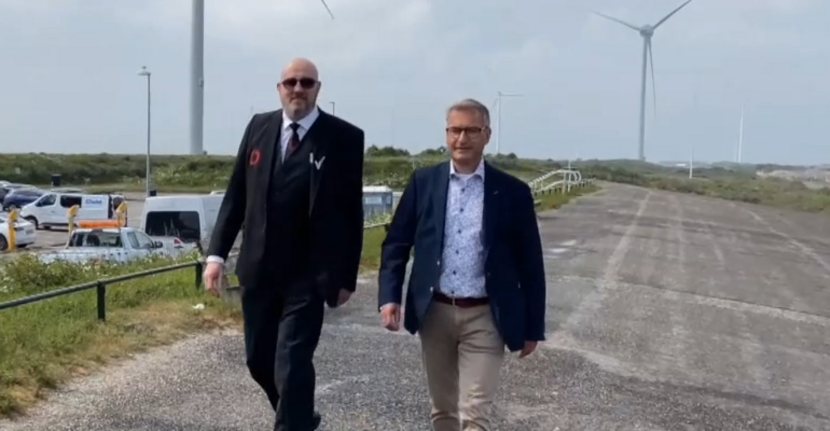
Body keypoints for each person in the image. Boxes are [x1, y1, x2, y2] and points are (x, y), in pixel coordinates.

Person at [203, 57, 365, 431]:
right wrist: (216, 255)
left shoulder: (344, 138)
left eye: (306, 83)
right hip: (259, 270)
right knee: (259, 362)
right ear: (279, 88)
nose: (298, 89)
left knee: (291, 361)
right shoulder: (259, 127)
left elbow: (350, 212)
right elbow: (236, 196)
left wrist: (346, 276)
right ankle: (300, 417)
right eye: (290, 82)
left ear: (317, 89)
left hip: (309, 275)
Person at [377, 98, 546, 430]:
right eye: (455, 130)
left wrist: (533, 326)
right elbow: (397, 243)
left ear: (487, 135)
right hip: (435, 312)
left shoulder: (512, 192)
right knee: (443, 411)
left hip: (486, 316)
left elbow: (531, 264)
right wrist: (389, 296)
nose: (462, 138)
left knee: (474, 413)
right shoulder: (424, 183)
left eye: (471, 130)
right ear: (446, 133)